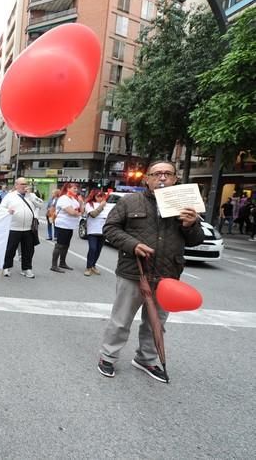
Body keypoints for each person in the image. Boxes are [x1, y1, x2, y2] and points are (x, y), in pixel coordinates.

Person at [97, 161, 203, 383]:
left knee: (156, 322)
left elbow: (196, 240)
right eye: (157, 174)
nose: (162, 178)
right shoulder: (129, 201)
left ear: (175, 178)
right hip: (133, 272)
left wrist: (190, 225)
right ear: (147, 178)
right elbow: (110, 228)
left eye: (168, 174)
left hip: (167, 276)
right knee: (121, 319)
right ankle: (108, 356)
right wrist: (132, 244)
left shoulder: (183, 205)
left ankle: (146, 359)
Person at [0, 178, 43, 278]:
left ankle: (26, 269)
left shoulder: (31, 196)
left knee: (28, 250)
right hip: (13, 228)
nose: (25, 186)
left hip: (28, 229)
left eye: (26, 184)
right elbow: (1, 208)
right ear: (16, 185)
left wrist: (31, 196)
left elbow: (40, 204)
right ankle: (6, 267)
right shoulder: (10, 196)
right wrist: (7, 211)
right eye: (22, 184)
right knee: (10, 249)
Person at [50, 183, 83, 273]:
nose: (76, 190)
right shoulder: (63, 198)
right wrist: (78, 212)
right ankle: (54, 265)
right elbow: (71, 212)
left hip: (70, 226)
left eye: (77, 188)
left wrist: (81, 202)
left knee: (66, 245)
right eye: (74, 188)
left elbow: (82, 211)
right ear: (68, 189)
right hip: (62, 225)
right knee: (60, 245)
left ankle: (62, 262)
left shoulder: (73, 199)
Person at [83, 189, 108, 276]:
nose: (100, 198)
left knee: (98, 250)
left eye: (102, 196)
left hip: (103, 231)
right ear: (94, 196)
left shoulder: (106, 205)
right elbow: (93, 214)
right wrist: (101, 206)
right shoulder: (89, 204)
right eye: (98, 196)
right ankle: (88, 267)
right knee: (92, 248)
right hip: (93, 230)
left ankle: (93, 265)